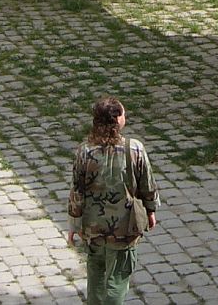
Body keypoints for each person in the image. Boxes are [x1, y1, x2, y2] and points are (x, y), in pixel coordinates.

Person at [67, 96, 158, 305]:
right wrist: (151, 211)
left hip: (93, 228)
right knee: (117, 280)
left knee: (96, 278)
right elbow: (147, 185)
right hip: (124, 229)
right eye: (124, 113)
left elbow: (77, 191)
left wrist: (74, 224)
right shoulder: (134, 149)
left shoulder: (84, 151)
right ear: (117, 120)